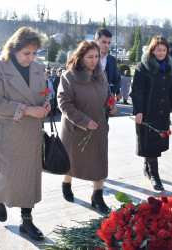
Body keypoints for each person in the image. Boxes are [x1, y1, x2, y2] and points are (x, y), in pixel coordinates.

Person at [0, 27, 51, 241]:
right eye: (26, 53)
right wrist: (29, 110)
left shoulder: (38, 68)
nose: (31, 58)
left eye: (34, 53)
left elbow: (42, 93)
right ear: (13, 49)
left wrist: (45, 104)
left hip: (30, 132)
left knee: (27, 175)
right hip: (5, 131)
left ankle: (27, 220)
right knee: (4, 173)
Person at [58, 40, 117, 213]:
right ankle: (66, 184)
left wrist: (112, 106)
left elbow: (108, 96)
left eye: (96, 57)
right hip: (76, 130)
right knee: (71, 163)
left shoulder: (101, 76)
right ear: (80, 57)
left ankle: (97, 196)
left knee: (100, 163)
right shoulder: (69, 77)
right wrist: (84, 121)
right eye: (89, 57)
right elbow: (64, 104)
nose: (94, 61)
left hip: (98, 129)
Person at [132, 36, 172, 191]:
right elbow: (137, 91)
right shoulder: (143, 67)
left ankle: (147, 169)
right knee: (151, 144)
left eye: (164, 50)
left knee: (154, 144)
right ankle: (155, 175)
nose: (161, 53)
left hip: (162, 113)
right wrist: (138, 111)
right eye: (158, 50)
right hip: (147, 113)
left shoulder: (169, 68)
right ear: (152, 50)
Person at [94, 28, 119, 95]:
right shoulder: (89, 59)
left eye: (109, 43)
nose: (107, 45)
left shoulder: (112, 60)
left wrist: (111, 94)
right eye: (104, 42)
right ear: (95, 41)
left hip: (106, 102)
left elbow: (115, 81)